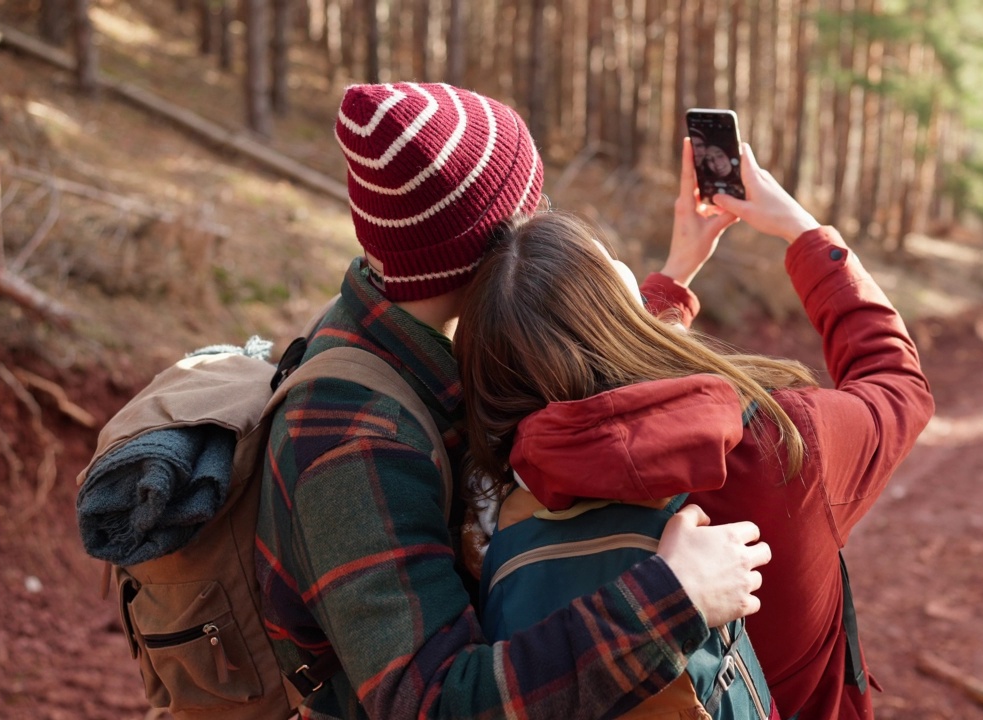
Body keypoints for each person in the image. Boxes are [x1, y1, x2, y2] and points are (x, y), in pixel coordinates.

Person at [255, 83, 771, 720]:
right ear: (497, 251)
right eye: (537, 203)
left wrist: (671, 281)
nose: (546, 218)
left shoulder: (410, 325)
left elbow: (554, 361)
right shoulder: (354, 439)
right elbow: (434, 703)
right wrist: (673, 599)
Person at [455, 137, 935, 720]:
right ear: (619, 304)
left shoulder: (502, 492)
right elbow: (897, 383)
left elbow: (597, 393)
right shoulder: (784, 438)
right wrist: (805, 234)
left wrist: (676, 277)